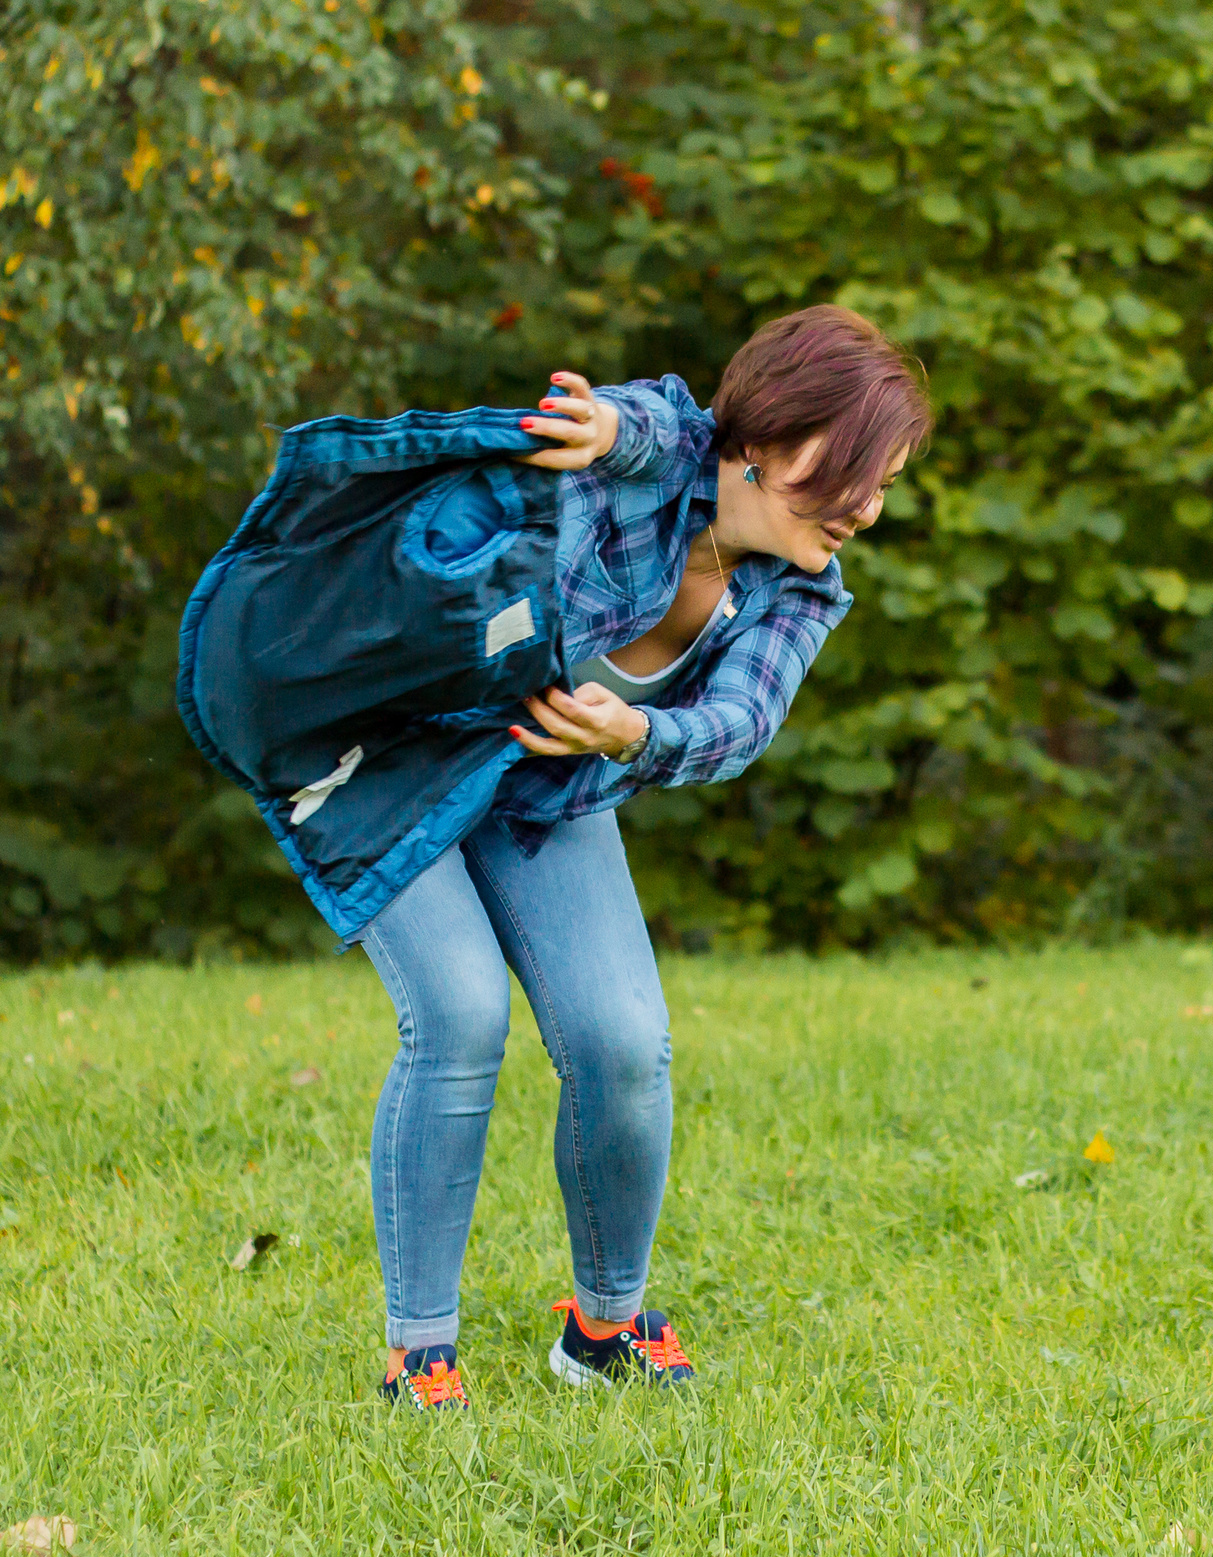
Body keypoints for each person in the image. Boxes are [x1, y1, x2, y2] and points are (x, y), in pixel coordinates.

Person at [275, 307, 923, 1410]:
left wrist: (639, 734)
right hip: (395, 758)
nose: (867, 508)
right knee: (461, 1014)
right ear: (770, 437)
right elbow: (648, 430)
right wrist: (608, 430)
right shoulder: (654, 455)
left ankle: (603, 1331)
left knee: (623, 1044)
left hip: (548, 793)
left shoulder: (803, 588)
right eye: (858, 471)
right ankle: (418, 1352)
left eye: (888, 485)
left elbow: (741, 721)